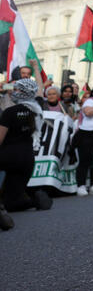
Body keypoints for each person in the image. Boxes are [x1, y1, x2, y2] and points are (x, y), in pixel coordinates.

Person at [0, 78, 52, 223]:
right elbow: (40, 92)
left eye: (16, 89)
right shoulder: (38, 109)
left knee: (8, 198)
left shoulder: (10, 112)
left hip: (7, 157)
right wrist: (36, 68)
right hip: (27, 159)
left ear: (22, 92)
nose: (12, 92)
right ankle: (35, 200)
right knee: (12, 202)